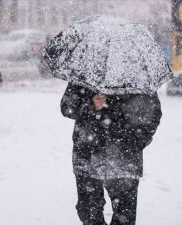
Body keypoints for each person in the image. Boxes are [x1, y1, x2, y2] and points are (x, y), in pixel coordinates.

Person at [60, 83, 162, 225]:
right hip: (88, 155)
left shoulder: (138, 77)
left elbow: (153, 114)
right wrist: (91, 105)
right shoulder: (86, 72)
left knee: (125, 216)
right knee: (88, 213)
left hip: (125, 158)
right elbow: (67, 107)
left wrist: (136, 141)